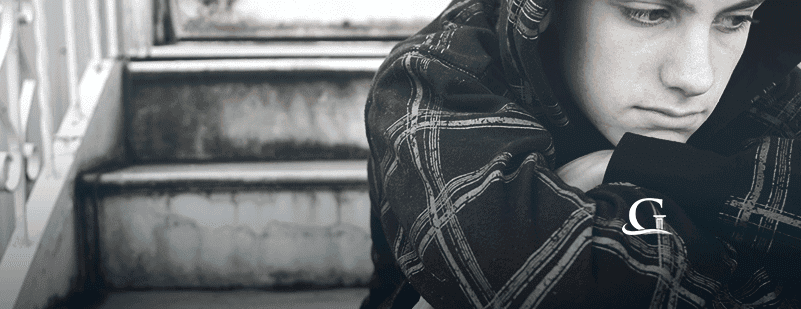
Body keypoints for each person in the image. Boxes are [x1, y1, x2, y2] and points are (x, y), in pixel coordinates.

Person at [360, 0, 801, 308]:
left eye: (735, 19)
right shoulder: (436, 78)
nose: (696, 77)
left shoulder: (760, 77)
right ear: (550, 6)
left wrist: (645, 166)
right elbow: (543, 286)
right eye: (647, 12)